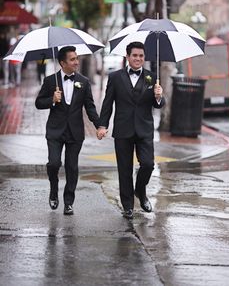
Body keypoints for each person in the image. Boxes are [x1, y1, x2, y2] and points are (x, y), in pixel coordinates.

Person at [97, 42, 165, 219]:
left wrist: (158, 97)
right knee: (124, 169)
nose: (138, 59)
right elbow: (107, 103)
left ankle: (140, 191)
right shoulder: (115, 77)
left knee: (148, 165)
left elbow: (158, 105)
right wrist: (103, 125)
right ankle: (127, 206)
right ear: (127, 57)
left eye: (141, 56)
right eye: (135, 55)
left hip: (144, 130)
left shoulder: (152, 77)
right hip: (123, 129)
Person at [35, 46, 99, 215]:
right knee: (54, 163)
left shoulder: (83, 82)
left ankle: (69, 202)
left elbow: (90, 107)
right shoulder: (50, 81)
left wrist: (99, 125)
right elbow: (38, 103)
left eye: (76, 58)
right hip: (55, 130)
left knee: (72, 166)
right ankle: (53, 189)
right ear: (62, 63)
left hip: (75, 132)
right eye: (72, 59)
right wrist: (52, 100)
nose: (76, 62)